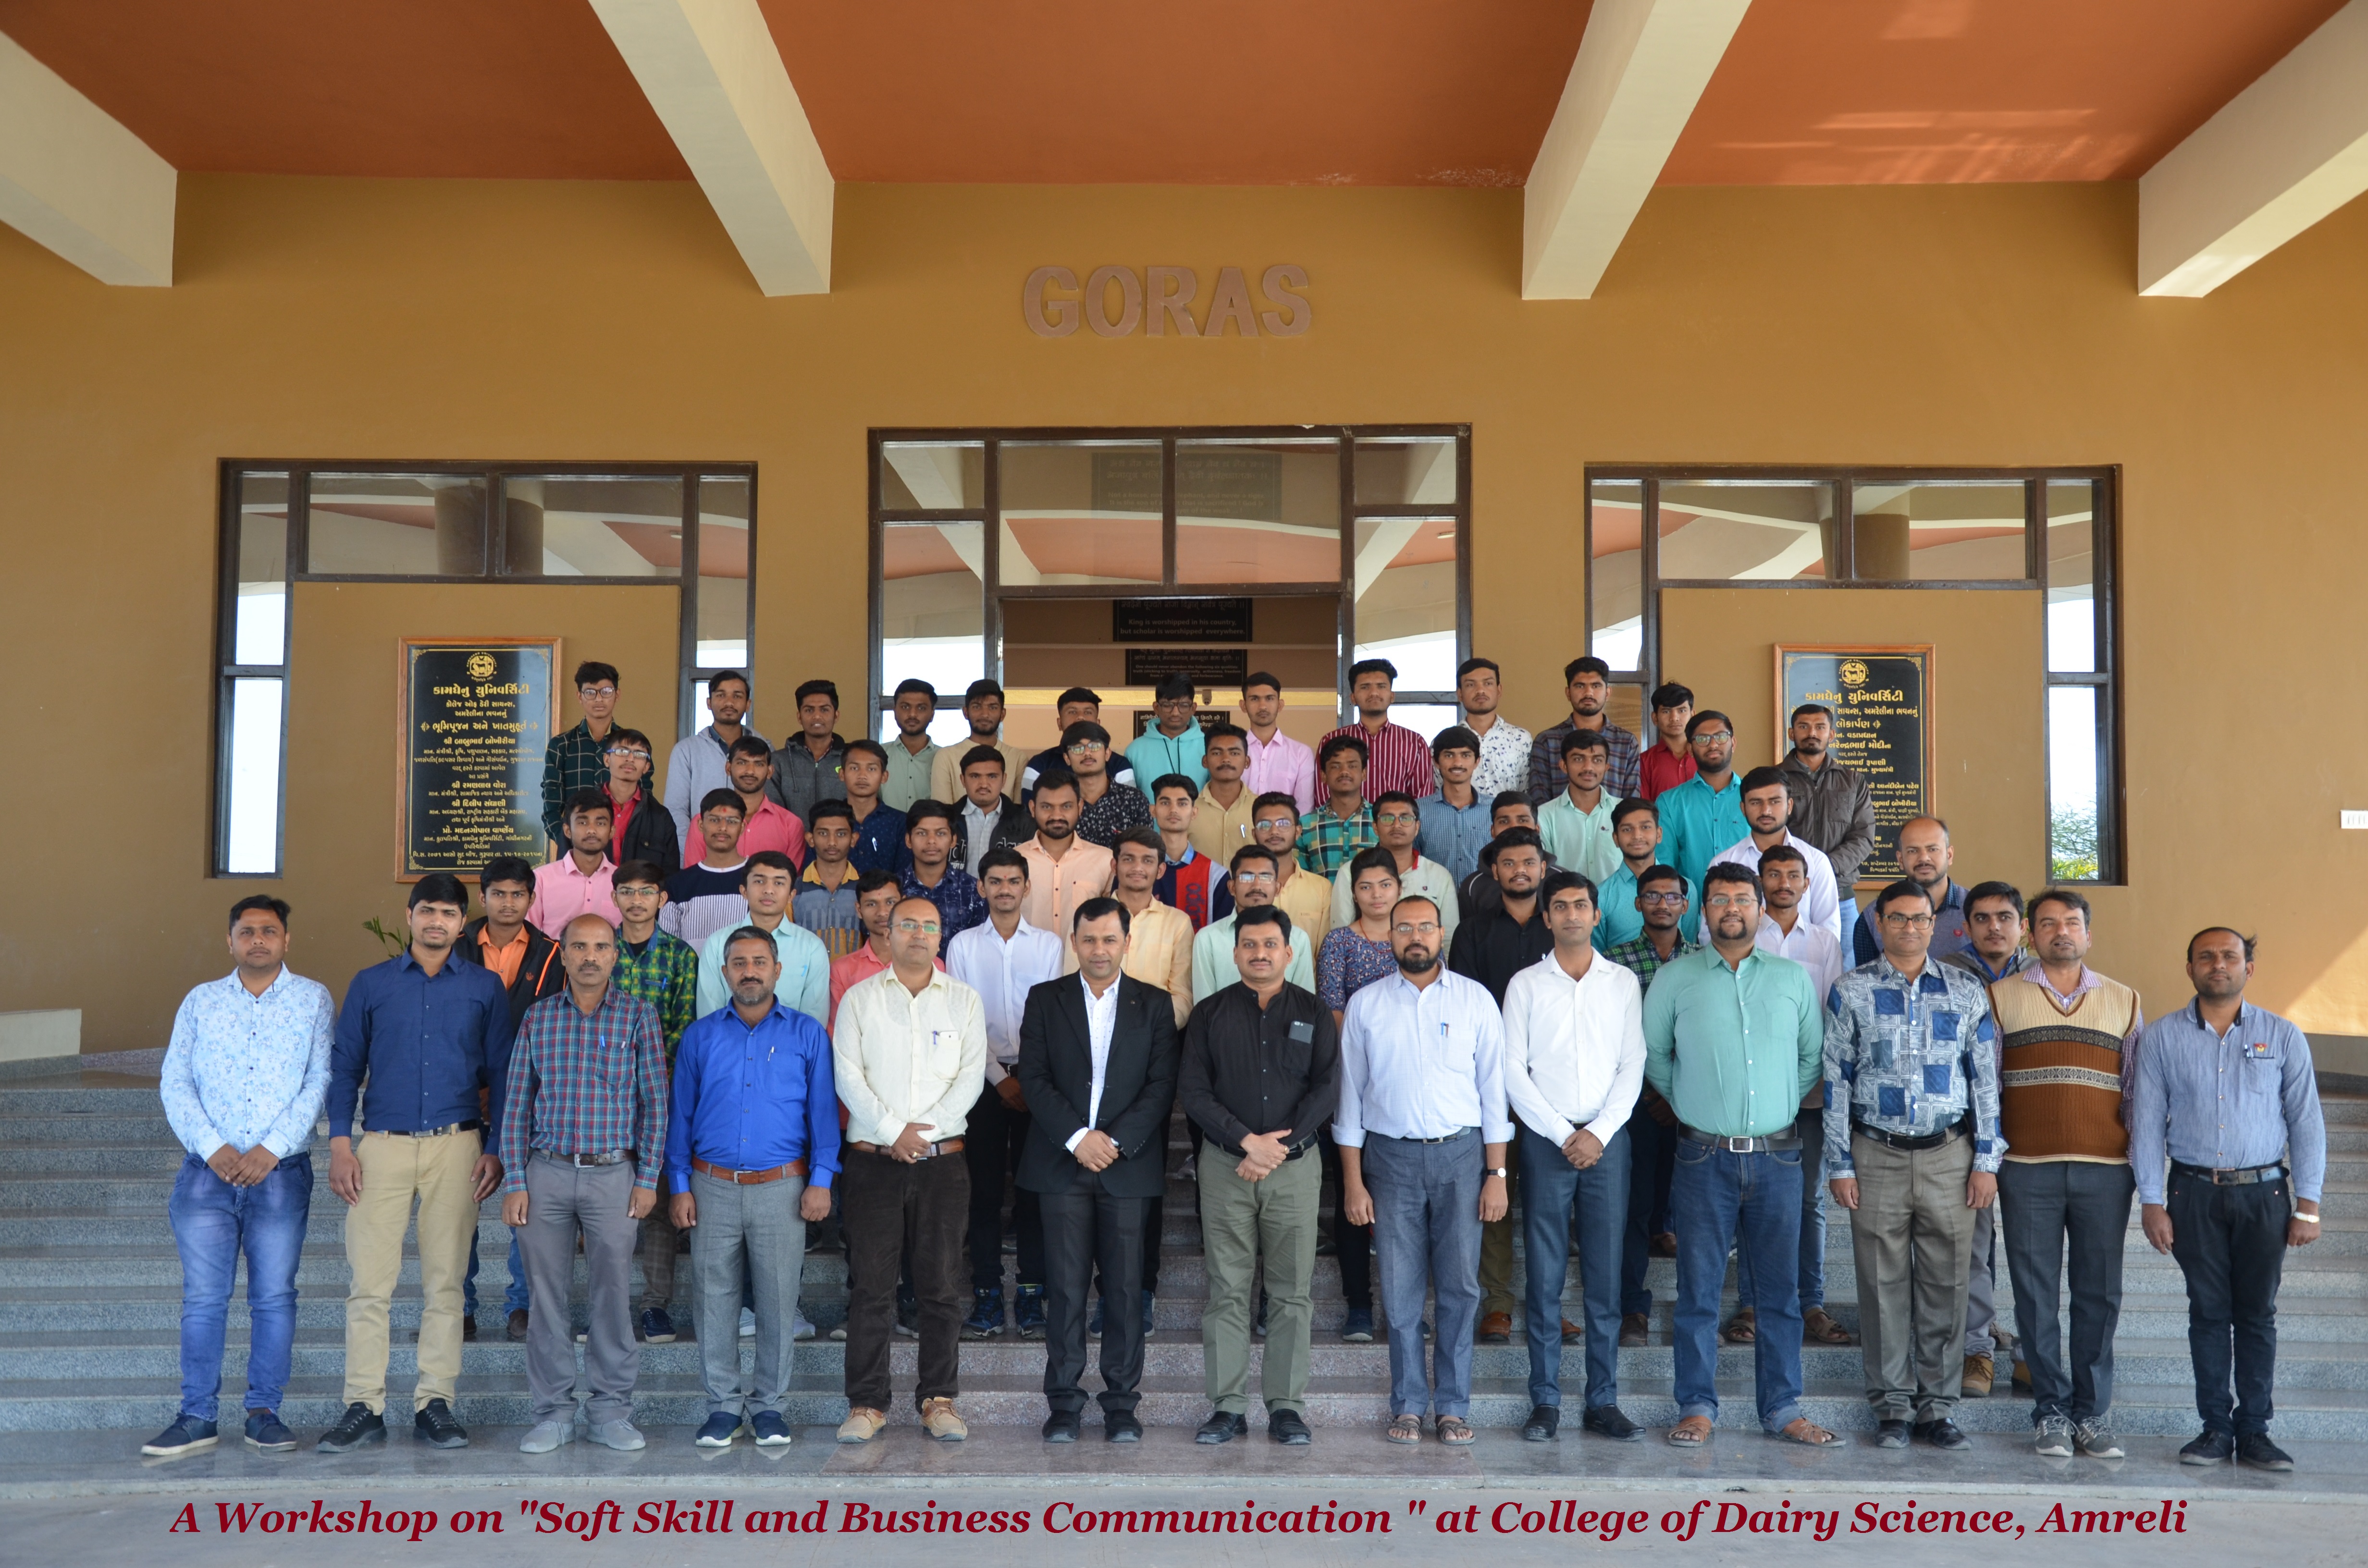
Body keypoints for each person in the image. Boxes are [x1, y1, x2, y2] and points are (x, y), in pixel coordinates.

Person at [1643, 863, 1838, 1449]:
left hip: (1778, 1158)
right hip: (1702, 1158)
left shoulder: (1790, 979)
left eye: (1742, 899)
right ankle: (1696, 1406)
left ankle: (1781, 1408)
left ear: (1759, 909)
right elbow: (1655, 1057)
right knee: (1698, 1292)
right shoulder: (1674, 979)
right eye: (1719, 899)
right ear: (1702, 911)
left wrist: (1774, 1106)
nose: (1731, 908)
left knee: (1779, 1295)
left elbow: (1810, 1059)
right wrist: (1695, 1105)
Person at [317, 875, 511, 1455]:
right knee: (369, 1285)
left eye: (448, 914)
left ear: (461, 923)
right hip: (382, 1146)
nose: (436, 922)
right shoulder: (372, 984)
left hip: (458, 1145)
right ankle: (363, 1405)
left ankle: (435, 1403)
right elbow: (344, 1067)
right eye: (427, 911)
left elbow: (503, 1072)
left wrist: (498, 1147)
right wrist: (340, 1144)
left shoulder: (484, 987)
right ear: (409, 916)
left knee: (446, 1284)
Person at [142, 896, 333, 1458]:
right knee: (204, 1299)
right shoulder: (201, 1002)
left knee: (273, 1297)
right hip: (208, 1174)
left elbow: (320, 1080)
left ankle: (264, 1413)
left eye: (269, 931)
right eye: (246, 932)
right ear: (230, 941)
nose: (258, 940)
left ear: (286, 940)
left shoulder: (313, 1000)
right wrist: (213, 1147)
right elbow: (175, 1081)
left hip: (281, 1174)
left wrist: (271, 1149)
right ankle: (196, 1416)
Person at [2134, 928, 2326, 1472]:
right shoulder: (2162, 1037)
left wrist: (2308, 1203)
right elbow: (2145, 1121)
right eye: (2205, 957)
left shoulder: (2282, 1035)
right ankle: (2215, 1428)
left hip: (2264, 1194)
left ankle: (2256, 1430)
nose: (2217, 964)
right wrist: (2151, 1200)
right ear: (2189, 968)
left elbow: (2306, 1122)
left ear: (2248, 968)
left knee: (2258, 1314)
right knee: (2208, 1312)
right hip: (2191, 1193)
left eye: (2229, 956)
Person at [1823, 880, 2004, 1451]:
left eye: (1919, 918)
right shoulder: (1850, 990)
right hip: (1873, 1153)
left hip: (1949, 1154)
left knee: (1947, 1283)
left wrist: (1986, 1159)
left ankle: (1937, 1408)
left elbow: (1984, 1082)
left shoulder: (1965, 990)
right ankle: (1892, 1407)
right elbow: (1835, 1080)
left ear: (1934, 924)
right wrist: (1839, 1162)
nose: (1908, 927)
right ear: (1878, 924)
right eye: (1897, 918)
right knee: (1881, 1286)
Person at [1336, 895, 1511, 1445]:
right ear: (1388, 936)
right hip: (1389, 1160)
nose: (1415, 937)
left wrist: (1496, 1176)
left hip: (1462, 1156)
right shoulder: (1365, 1004)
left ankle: (1452, 1407)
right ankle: (1409, 1404)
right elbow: (1349, 1098)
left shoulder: (1475, 1000)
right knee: (1399, 1288)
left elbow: (1493, 1093)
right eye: (1404, 928)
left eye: (1425, 927)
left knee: (1460, 1287)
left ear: (1441, 934)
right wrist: (1352, 1181)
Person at [499, 914, 668, 1454]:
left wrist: (647, 1177)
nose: (590, 956)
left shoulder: (638, 1016)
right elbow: (516, 1104)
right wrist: (516, 1180)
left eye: (600, 947)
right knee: (546, 1299)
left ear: (615, 955)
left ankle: (611, 1411)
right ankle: (552, 1413)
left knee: (611, 1296)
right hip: (546, 1173)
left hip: (614, 1175)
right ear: (565, 955)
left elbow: (655, 1105)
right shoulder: (539, 1018)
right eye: (579, 947)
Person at [668, 926, 840, 1449]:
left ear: (777, 970)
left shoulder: (808, 1035)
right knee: (712, 1299)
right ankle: (722, 1407)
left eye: (759, 962)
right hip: (711, 1185)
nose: (749, 972)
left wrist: (821, 1180)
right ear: (724, 972)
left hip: (782, 1187)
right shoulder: (700, 1036)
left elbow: (823, 1115)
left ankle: (769, 1407)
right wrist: (679, 1184)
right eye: (739, 963)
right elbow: (681, 1117)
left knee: (778, 1299)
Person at [1990, 887, 2144, 1459]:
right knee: (2034, 1295)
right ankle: (2050, 1411)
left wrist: (2145, 1173)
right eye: (2048, 923)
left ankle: (2092, 1414)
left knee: (2098, 1294)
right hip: (2025, 1169)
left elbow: (2137, 1094)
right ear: (2029, 934)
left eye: (2071, 923)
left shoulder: (2124, 1000)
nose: (2061, 932)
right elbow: (1986, 1086)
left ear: (2087, 934)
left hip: (2105, 1171)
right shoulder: (1999, 996)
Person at [1020, 898, 1181, 1443]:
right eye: (1089, 939)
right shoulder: (1045, 1000)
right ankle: (1064, 1404)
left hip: (1125, 1165)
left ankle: (1121, 1405)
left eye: (1110, 939)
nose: (1099, 949)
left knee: (1125, 1291)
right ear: (1074, 942)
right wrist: (1076, 1138)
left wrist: (1112, 1141)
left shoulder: (1154, 1004)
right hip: (1060, 1163)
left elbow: (1161, 1085)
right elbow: (1034, 1078)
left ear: (1127, 943)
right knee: (1065, 1291)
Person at [830, 897, 988, 1444]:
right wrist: (892, 1130)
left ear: (940, 936)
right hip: (873, 1163)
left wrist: (919, 1137)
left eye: (928, 926)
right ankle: (867, 1403)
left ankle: (938, 1400)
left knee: (940, 1286)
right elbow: (848, 1075)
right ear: (888, 932)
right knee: (871, 1287)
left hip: (942, 1164)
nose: (918, 934)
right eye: (908, 925)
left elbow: (970, 1079)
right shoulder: (860, 999)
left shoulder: (964, 1001)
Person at [1182, 905, 1338, 1446]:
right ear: (1235, 953)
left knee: (1291, 1293)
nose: (1260, 954)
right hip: (1227, 1167)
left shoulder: (1314, 1012)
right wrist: (1247, 1141)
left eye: (1270, 945)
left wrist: (1278, 1147)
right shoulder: (1209, 1014)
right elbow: (1194, 1091)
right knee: (1226, 1290)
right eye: (1249, 945)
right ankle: (1227, 1407)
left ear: (1289, 952)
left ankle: (1286, 1407)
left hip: (1294, 1171)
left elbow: (1327, 1088)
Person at [1502, 870, 1645, 1443]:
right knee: (1544, 1277)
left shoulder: (1621, 983)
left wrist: (1599, 1132)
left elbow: (1632, 1063)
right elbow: (1512, 1070)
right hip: (1546, 1140)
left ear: (1595, 915)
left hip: (1607, 1141)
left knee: (1604, 1277)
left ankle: (1601, 1400)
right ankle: (1544, 1400)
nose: (1570, 915)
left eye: (1580, 905)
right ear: (1546, 918)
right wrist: (1564, 1133)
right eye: (1559, 906)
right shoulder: (1524, 985)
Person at [1726, 842, 1850, 1352]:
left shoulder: (1824, 942)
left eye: (1792, 875)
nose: (1783, 883)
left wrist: (1821, 1081)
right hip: (1754, 1092)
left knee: (1808, 1199)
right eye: (1773, 874)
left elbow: (1833, 1015)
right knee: (1752, 1198)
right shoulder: (1742, 938)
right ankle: (1752, 1303)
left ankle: (1810, 1303)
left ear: (1806, 883)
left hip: (1810, 1091)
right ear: (1760, 883)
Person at [946, 849, 1064, 1342]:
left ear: (1026, 887)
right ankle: (988, 1293)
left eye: (1013, 881)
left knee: (1035, 1192)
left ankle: (1033, 1292)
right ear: (981, 888)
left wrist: (1028, 1080)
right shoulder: (962, 946)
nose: (1004, 890)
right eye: (994, 881)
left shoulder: (1050, 945)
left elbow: (1054, 1018)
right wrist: (999, 1079)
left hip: (1039, 1082)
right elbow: (962, 1021)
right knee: (984, 1193)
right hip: (982, 1083)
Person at [1449, 826, 1554, 1342]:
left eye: (1528, 862)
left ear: (1543, 869)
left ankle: (1547, 1302)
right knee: (1495, 1193)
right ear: (1494, 871)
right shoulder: (1471, 933)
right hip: (1490, 1084)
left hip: (1553, 1086)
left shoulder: (1561, 927)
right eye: (1509, 863)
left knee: (1548, 1201)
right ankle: (1497, 1302)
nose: (1519, 871)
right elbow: (1465, 1008)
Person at [456, 856, 563, 1342]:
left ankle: (521, 1306)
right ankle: (459, 1307)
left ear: (531, 899)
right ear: (483, 897)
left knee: (529, 1206)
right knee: (460, 1205)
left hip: (531, 1096)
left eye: (518, 894)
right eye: (498, 893)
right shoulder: (455, 948)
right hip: (463, 1096)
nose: (508, 903)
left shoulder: (553, 954)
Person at [1941, 879, 2029, 1395]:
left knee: (2033, 1250)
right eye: (1982, 918)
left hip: (2032, 1132)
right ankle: (1976, 1350)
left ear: (2022, 927)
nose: (1993, 927)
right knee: (1972, 1247)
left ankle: (2032, 1353)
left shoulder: (2043, 976)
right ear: (1966, 926)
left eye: (2004, 917)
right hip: (1967, 1134)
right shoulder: (1946, 975)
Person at [610, 860, 700, 1346]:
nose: (637, 901)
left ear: (662, 899)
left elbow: (684, 1026)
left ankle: (654, 1306)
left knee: (660, 1204)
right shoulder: (598, 949)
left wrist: (646, 1075)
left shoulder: (681, 956)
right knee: (609, 1208)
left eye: (647, 892)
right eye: (627, 891)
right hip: (602, 1100)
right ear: (615, 898)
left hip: (661, 1095)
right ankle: (607, 1308)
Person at [1607, 863, 1696, 1346]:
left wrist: (1675, 1094)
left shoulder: (1703, 960)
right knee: (1633, 1206)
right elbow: (1609, 1038)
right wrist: (1650, 1093)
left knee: (1690, 1208)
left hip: (1692, 1103)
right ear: (1637, 903)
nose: (1663, 904)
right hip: (1634, 1101)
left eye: (1672, 897)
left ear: (1685, 904)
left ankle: (1694, 1312)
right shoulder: (1614, 962)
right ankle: (1632, 1309)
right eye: (1653, 896)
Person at [1776, 703, 1875, 951]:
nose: (1812, 733)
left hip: (1841, 896)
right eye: (1804, 726)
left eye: (1820, 727)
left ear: (1831, 735)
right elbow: (1770, 833)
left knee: (1844, 966)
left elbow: (1863, 837)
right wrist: (1799, 871)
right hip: (1787, 895)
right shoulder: (1775, 780)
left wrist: (1824, 868)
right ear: (1791, 733)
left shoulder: (1853, 781)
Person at [1703, 767, 1840, 943]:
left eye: (1775, 802)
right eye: (1756, 803)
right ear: (1743, 809)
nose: (1766, 811)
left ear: (1789, 806)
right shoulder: (1723, 863)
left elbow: (1829, 933)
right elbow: (1709, 934)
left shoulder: (1816, 861)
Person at [694, 851, 829, 1025]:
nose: (768, 890)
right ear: (744, 891)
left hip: (792, 1044)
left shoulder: (812, 948)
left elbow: (813, 1024)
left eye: (779, 883)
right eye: (759, 881)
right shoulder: (717, 944)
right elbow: (710, 1019)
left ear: (791, 895)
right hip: (728, 1043)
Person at [1087, 827, 1194, 1025]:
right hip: (1096, 1030)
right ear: (1114, 866)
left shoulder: (1178, 923)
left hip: (1155, 1035)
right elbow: (1075, 987)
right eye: (1129, 859)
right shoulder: (1088, 920)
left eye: (1147, 861)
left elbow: (1183, 998)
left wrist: (1146, 1030)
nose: (1138, 868)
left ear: (1160, 870)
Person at [1331, 790, 1459, 945]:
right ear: (1375, 827)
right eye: (1387, 818)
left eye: (1406, 818)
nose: (1397, 825)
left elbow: (1449, 940)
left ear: (1417, 827)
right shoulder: (1350, 872)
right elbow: (1340, 932)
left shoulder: (1439, 876)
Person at [1191, 845, 1316, 1001]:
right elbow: (1204, 1008)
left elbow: (1304, 1004)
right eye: (1247, 877)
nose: (1257, 886)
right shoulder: (1207, 939)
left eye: (1266, 877)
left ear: (1277, 888)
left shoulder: (1298, 939)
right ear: (1232, 887)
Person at [1851, 817, 1971, 967]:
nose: (1924, 858)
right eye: (1913, 851)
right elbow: (1864, 978)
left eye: (1933, 849)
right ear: (1901, 859)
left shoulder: (1975, 911)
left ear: (1949, 855)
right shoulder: (1872, 918)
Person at [1655, 711, 1746, 904]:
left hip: (1749, 910)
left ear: (1733, 743)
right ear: (1690, 749)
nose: (1713, 745)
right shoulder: (1670, 803)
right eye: (1702, 739)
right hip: (1692, 912)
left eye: (1721, 737)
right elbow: (1665, 869)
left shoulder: (1754, 798)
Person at [1015, 771, 1116, 942]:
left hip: (1082, 958)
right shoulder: (1014, 861)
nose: (1057, 815)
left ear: (1080, 807)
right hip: (1027, 958)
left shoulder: (1106, 861)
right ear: (1033, 808)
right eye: (1047, 807)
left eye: (1066, 806)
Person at [664, 669, 761, 843]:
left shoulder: (764, 749)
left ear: (748, 704)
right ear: (709, 703)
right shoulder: (686, 751)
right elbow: (676, 810)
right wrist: (688, 851)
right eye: (721, 695)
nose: (729, 702)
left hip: (753, 848)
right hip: (701, 850)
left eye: (737, 696)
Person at [1319, 658, 1436, 800]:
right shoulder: (1331, 741)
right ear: (1353, 698)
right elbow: (1323, 797)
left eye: (1381, 686)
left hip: (1399, 816)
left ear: (1392, 696)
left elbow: (1423, 800)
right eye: (1365, 687)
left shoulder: (1415, 743)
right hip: (1341, 817)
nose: (1374, 693)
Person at [1529, 656, 1640, 803]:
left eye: (1596, 686)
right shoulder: (1547, 741)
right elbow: (1539, 803)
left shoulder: (1626, 742)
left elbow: (1632, 804)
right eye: (1580, 686)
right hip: (1556, 819)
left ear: (1608, 693)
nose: (1589, 693)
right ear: (1568, 693)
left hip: (1614, 819)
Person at [1319, 848, 1404, 1027]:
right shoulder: (1338, 942)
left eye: (1385, 885)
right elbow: (1332, 1008)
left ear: (1400, 889)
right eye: (1366, 887)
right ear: (1354, 894)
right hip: (1356, 1038)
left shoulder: (1418, 938)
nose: (1376, 894)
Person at [661, 793, 754, 953]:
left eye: (732, 821)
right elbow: (668, 950)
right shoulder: (678, 885)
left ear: (742, 828)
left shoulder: (758, 880)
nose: (723, 828)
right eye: (714, 820)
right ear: (700, 825)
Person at [543, 660, 621, 846]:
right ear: (580, 696)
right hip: (572, 848)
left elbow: (642, 800)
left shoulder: (629, 748)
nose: (599, 699)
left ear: (617, 695)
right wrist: (566, 840)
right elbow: (551, 805)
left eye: (606, 691)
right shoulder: (561, 746)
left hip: (621, 847)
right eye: (590, 692)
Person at [530, 789, 621, 936]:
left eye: (600, 823)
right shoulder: (541, 880)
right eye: (583, 822)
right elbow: (530, 935)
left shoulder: (622, 882)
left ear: (611, 831)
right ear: (567, 830)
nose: (591, 830)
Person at [1537, 728, 1622, 885]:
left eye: (1597, 760)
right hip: (1565, 900)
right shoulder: (1544, 816)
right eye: (1578, 759)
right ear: (1564, 765)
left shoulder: (1625, 811)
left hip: (1618, 901)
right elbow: (1544, 873)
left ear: (1607, 767)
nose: (1588, 768)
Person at [829, 871, 914, 1026]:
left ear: (904, 904)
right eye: (871, 904)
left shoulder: (930, 965)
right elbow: (839, 1030)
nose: (882, 912)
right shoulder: (842, 971)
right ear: (859, 910)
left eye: (890, 902)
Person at [1022, 688, 1138, 798]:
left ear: (1098, 723)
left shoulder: (1120, 766)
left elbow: (1129, 806)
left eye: (1088, 712)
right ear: (1059, 723)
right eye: (1072, 712)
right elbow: (1030, 810)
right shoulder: (1038, 765)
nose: (1080, 717)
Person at [1149, 775, 1231, 930]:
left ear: (1194, 813)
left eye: (1182, 804)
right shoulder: (1138, 870)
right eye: (1165, 803)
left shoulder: (1216, 876)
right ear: (1153, 811)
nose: (1173, 810)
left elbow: (1222, 936)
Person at [929, 679, 1028, 806]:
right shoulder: (946, 757)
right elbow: (941, 812)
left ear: (1002, 714)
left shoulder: (1018, 758)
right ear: (966, 712)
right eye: (977, 707)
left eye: (993, 707)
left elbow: (1019, 812)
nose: (985, 714)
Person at [1417, 724, 1493, 882]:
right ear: (1436, 762)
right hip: (1433, 896)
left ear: (1477, 761)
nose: (1458, 763)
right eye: (1449, 755)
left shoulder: (1495, 810)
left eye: (1466, 755)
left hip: (1485, 896)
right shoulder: (1418, 810)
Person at [901, 800, 986, 940]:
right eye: (922, 833)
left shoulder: (973, 891)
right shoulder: (895, 890)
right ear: (908, 840)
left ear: (953, 840)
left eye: (940, 834)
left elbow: (980, 944)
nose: (931, 841)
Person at [768, 678, 849, 825]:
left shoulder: (851, 761)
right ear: (799, 717)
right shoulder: (778, 762)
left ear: (836, 716)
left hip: (839, 840)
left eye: (824, 710)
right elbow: (773, 813)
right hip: (791, 840)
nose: (817, 716)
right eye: (809, 710)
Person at [1256, 791, 1332, 946]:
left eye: (1283, 824)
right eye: (1265, 825)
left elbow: (1326, 951)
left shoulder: (1322, 889)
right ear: (1254, 833)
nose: (1274, 831)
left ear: (1297, 832)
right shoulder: (1245, 887)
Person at [1592, 798, 1668, 953]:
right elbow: (1598, 957)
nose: (1637, 836)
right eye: (1627, 830)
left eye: (1645, 827)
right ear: (1616, 839)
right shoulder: (1601, 896)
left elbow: (1689, 950)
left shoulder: (1684, 890)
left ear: (1659, 834)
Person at [598, 728, 680, 871]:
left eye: (639, 754)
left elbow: (670, 875)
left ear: (646, 767)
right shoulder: (582, 808)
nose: (630, 759)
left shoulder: (661, 817)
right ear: (607, 759)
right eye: (622, 752)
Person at [720, 735, 808, 867]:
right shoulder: (706, 823)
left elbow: (791, 877)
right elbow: (695, 876)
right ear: (728, 768)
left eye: (759, 764)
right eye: (742, 763)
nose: (750, 771)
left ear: (770, 771)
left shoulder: (791, 825)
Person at [1455, 656, 1534, 801]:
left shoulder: (1521, 739)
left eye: (1488, 683)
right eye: (1471, 685)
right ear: (1460, 694)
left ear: (1499, 690)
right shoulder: (1447, 742)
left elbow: (1527, 792)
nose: (1480, 691)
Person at [1061, 721, 1150, 848]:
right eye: (1078, 748)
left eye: (1095, 746)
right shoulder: (1060, 802)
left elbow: (1145, 850)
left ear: (1107, 754)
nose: (1087, 753)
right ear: (1067, 759)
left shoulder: (1134, 800)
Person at [1298, 734, 1377, 876]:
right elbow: (1299, 879)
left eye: (1352, 766)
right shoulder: (1305, 826)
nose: (1344, 772)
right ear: (1323, 776)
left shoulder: (1380, 820)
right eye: (1335, 766)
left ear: (1364, 774)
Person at [794, 801, 865, 957]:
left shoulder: (866, 890)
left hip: (855, 974)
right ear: (810, 839)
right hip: (806, 974)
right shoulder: (793, 891)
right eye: (823, 833)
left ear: (853, 839)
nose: (832, 842)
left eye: (841, 834)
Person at [1456, 792, 1542, 921]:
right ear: (1493, 831)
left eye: (1523, 820)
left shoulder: (1558, 878)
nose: (1514, 827)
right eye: (1504, 821)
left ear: (1537, 829)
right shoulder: (1472, 887)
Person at [1238, 671, 1315, 813]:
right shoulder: (1233, 753)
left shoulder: (1301, 754)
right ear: (1243, 706)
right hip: (1239, 828)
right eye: (1255, 699)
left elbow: (1304, 808)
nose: (1263, 706)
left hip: (1286, 828)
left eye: (1269, 699)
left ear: (1280, 705)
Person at [953, 745, 1031, 875]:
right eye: (975, 776)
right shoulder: (947, 820)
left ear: (1004, 780)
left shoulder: (1025, 823)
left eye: (992, 776)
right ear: (963, 780)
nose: (984, 784)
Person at [1126, 674, 1210, 791]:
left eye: (1183, 705)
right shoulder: (1135, 750)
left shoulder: (1209, 747)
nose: (1175, 713)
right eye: (1167, 705)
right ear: (1156, 708)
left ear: (1193, 708)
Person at [839, 739, 911, 876]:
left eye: (871, 769)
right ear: (842, 774)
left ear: (884, 777)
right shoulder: (827, 821)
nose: (862, 776)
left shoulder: (900, 823)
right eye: (854, 768)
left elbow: (905, 875)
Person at [1189, 723, 1257, 861]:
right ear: (1205, 761)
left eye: (1234, 753)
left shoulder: (1260, 809)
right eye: (1217, 753)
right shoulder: (1188, 809)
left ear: (1247, 762)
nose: (1226, 759)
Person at [881, 678, 941, 812]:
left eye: (921, 708)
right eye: (905, 707)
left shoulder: (944, 758)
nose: (913, 714)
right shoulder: (878, 755)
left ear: (932, 714)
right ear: (894, 711)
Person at [1637, 682, 1697, 801]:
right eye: (1666, 711)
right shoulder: (1644, 762)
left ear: (1693, 715)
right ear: (1655, 718)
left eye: (1682, 710)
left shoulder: (1706, 756)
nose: (1674, 718)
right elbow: (1644, 808)